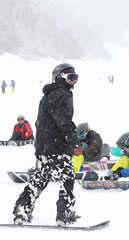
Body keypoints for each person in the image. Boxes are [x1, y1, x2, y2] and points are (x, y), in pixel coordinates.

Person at [13, 63, 82, 226]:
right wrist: (74, 142)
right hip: (58, 148)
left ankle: (22, 211)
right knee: (67, 179)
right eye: (70, 77)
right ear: (59, 77)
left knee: (39, 180)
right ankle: (63, 215)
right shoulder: (62, 94)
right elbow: (64, 121)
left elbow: (40, 122)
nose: (74, 82)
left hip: (44, 148)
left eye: (76, 78)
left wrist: (42, 145)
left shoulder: (47, 96)